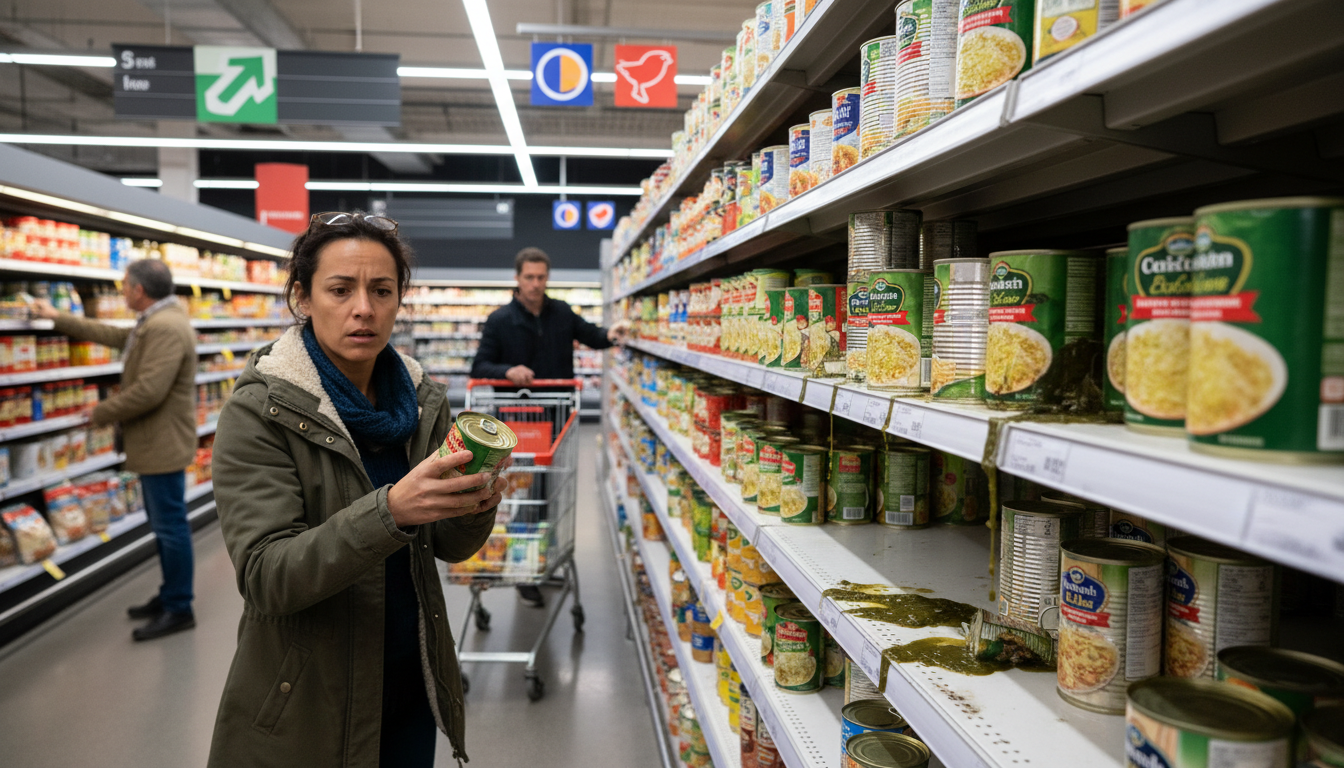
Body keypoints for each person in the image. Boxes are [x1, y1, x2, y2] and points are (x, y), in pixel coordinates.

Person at [207, 212, 506, 768]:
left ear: (400, 300)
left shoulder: (422, 404)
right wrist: (390, 511)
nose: (363, 308)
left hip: (409, 683)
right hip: (309, 697)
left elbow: (448, 546)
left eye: (381, 290)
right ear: (303, 296)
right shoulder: (259, 412)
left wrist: (475, 505)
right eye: (340, 290)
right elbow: (266, 576)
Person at [33, 259, 199, 641]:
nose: (122, 291)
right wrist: (58, 317)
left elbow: (149, 391)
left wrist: (98, 413)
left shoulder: (167, 327)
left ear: (139, 290)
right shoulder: (155, 321)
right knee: (163, 526)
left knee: (171, 528)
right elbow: (110, 334)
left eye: (124, 285)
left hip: (163, 444)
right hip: (155, 442)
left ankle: (179, 607)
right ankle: (170, 593)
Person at [470, 246, 628, 607]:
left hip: (556, 419)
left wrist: (613, 333)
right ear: (517, 278)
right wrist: (507, 372)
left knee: (544, 491)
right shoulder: (500, 320)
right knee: (523, 491)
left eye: (541, 277)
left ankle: (533, 556)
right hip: (517, 422)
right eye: (529, 277)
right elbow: (480, 366)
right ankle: (523, 563)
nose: (536, 284)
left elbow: (592, 335)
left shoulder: (561, 313)